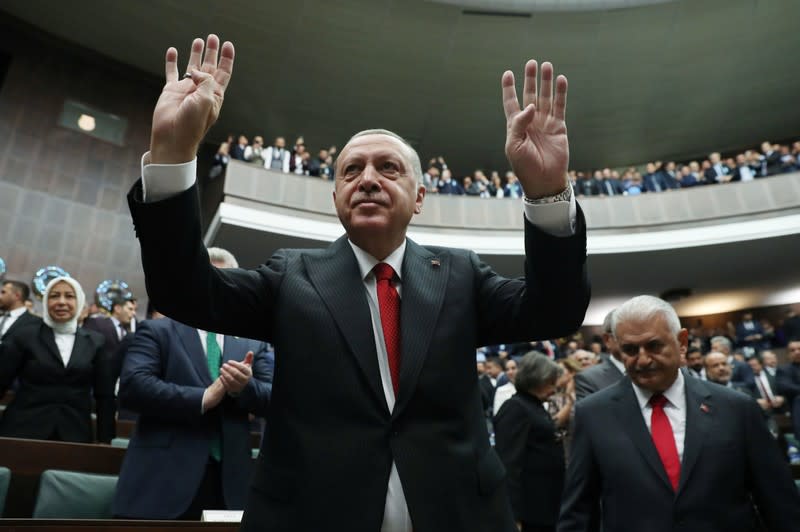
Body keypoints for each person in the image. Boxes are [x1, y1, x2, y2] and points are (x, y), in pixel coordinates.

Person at [127, 35, 589, 532]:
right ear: (336, 197)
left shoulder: (461, 274)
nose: (368, 179)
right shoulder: (291, 275)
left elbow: (555, 311)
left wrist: (545, 193)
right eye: (352, 170)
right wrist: (174, 155)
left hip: (458, 514)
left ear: (419, 198)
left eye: (388, 168)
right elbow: (182, 290)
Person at [558, 296, 800, 532]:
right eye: (630, 349)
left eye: (654, 346)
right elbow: (579, 512)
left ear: (682, 342)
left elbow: (778, 502)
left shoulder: (737, 408)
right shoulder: (594, 415)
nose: (642, 360)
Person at [0, 277, 114, 443]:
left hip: (75, 435)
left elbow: (105, 397)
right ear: (46, 301)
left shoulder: (96, 342)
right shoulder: (25, 336)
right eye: (54, 296)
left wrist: (105, 440)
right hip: (22, 430)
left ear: (80, 301)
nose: (61, 302)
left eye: (69, 296)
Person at [494, 352, 565, 532]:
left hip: (545, 506)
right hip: (530, 511)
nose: (554, 387)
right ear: (536, 380)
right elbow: (509, 464)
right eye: (550, 382)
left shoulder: (533, 405)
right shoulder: (515, 408)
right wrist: (513, 516)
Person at [574, 310, 625, 401]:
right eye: (628, 334)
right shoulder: (588, 379)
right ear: (608, 339)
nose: (637, 339)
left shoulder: (652, 371)